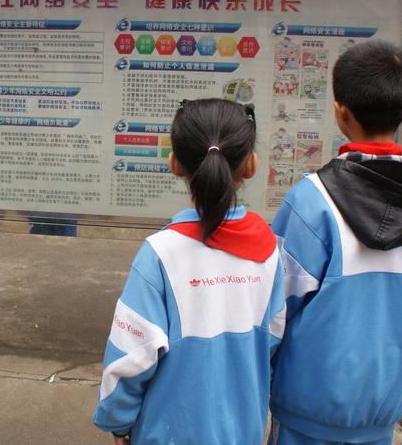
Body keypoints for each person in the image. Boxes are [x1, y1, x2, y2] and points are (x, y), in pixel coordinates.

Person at [268, 40, 402, 445]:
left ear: (340, 112)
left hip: (306, 412)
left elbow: (274, 307)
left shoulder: (311, 200)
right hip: (386, 406)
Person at [93, 98, 286, 444]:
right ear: (251, 165)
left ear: (175, 164)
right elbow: (272, 344)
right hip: (243, 433)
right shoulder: (269, 251)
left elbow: (131, 356)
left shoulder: (160, 254)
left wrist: (118, 421)